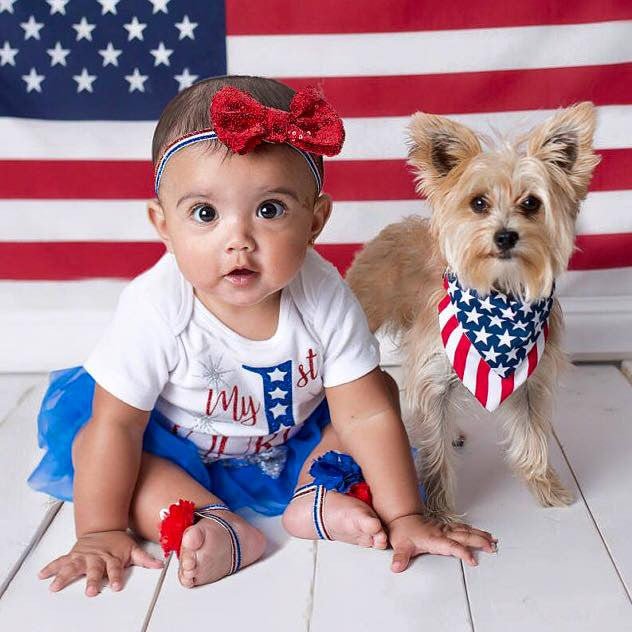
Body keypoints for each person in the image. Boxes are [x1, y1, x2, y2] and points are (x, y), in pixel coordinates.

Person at [30, 75, 496, 596]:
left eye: (269, 210)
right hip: (176, 445)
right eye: (205, 214)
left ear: (316, 219)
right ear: (162, 224)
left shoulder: (323, 295)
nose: (239, 241)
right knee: (117, 462)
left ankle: (315, 496)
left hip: (289, 439)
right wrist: (99, 531)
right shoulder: (156, 306)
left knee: (375, 399)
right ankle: (216, 526)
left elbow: (363, 415)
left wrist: (407, 515)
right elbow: (115, 427)